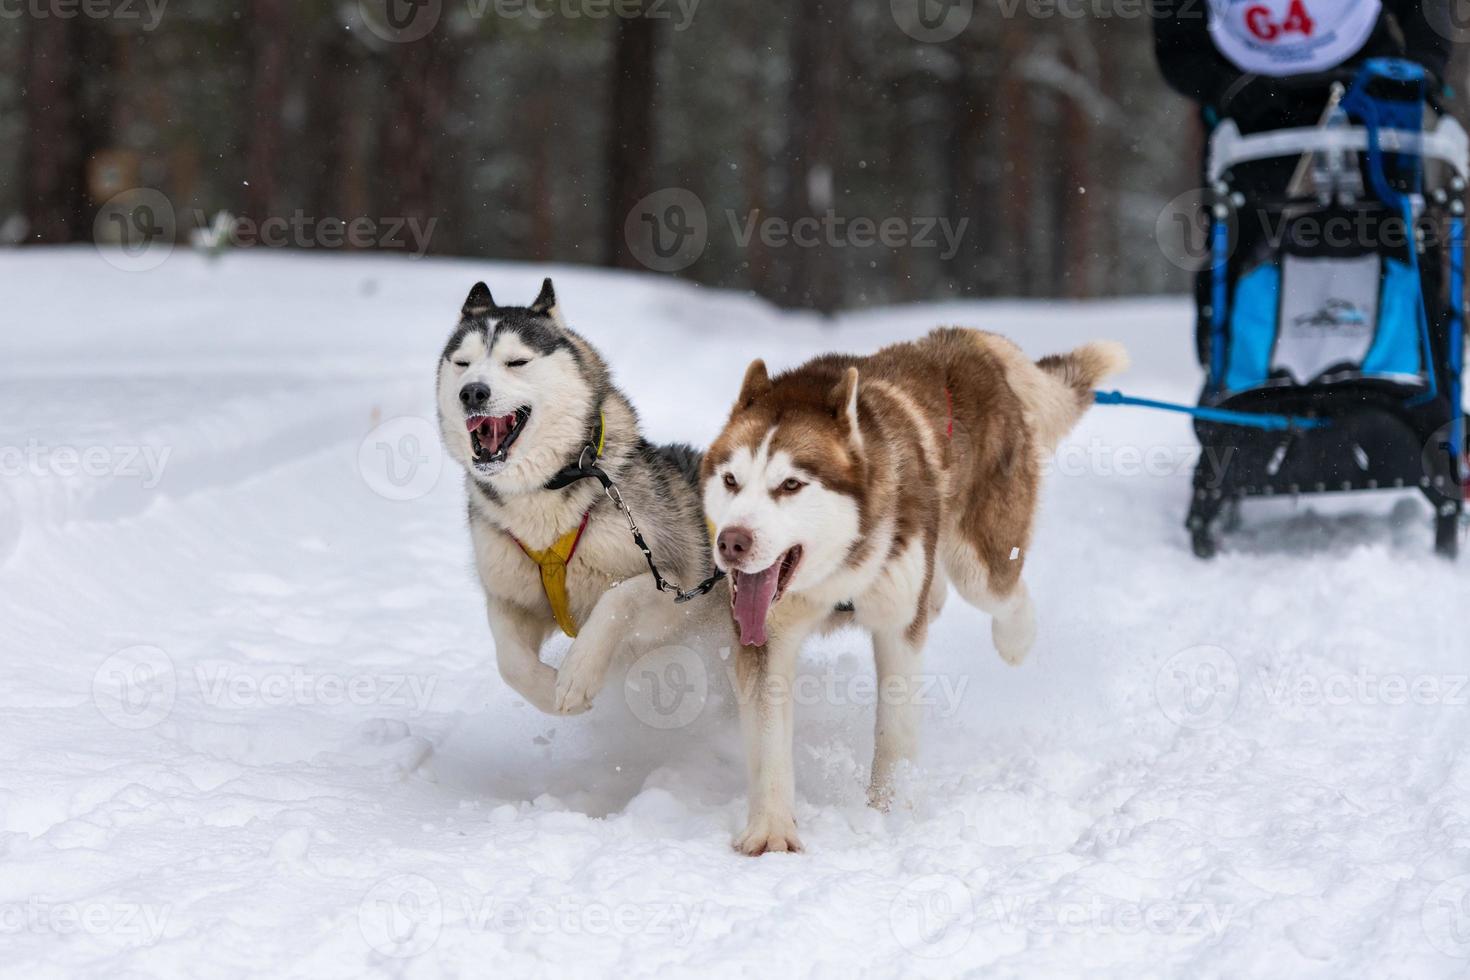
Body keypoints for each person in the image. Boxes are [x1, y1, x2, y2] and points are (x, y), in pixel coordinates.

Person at [1152, 0, 1453, 134]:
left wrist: (1424, 67)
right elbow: (1177, 50)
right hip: (1252, 100)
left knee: (1401, 214)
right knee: (1243, 233)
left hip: (1364, 78)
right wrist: (1222, 86)